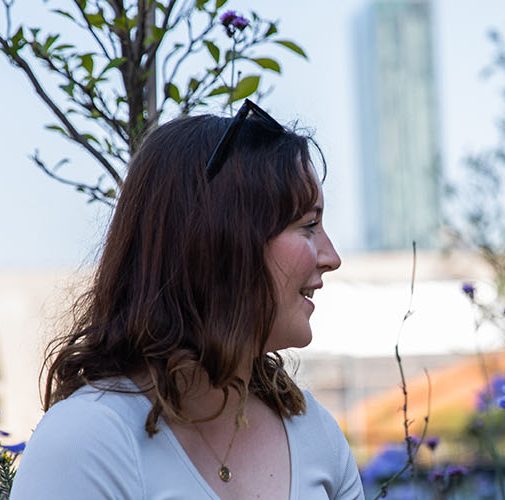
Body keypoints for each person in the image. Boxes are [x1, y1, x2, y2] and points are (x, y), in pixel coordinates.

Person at [11, 100, 365, 499]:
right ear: (221, 243)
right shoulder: (87, 442)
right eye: (308, 226)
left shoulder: (312, 432)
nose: (331, 257)